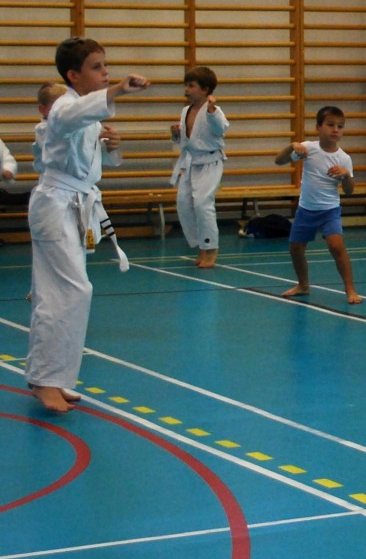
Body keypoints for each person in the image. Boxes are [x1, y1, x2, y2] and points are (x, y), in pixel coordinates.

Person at [27, 37, 151, 413]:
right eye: (97, 67)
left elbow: (91, 166)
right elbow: (67, 120)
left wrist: (112, 148)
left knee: (69, 294)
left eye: (105, 66)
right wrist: (118, 91)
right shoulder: (65, 108)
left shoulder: (87, 114)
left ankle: (55, 378)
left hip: (76, 203)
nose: (105, 72)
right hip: (56, 205)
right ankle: (45, 380)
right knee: (69, 292)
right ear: (73, 75)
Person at [275, 106, 362, 304]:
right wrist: (292, 147)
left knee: (336, 246)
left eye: (340, 126)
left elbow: (349, 190)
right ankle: (303, 285)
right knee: (296, 248)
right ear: (318, 127)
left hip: (330, 210)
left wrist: (345, 176)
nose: (335, 130)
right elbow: (279, 161)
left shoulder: (344, 158)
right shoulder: (308, 149)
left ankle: (350, 290)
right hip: (306, 209)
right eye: (330, 125)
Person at [169, 66, 229, 269]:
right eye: (186, 85)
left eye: (191, 86)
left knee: (203, 204)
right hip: (190, 162)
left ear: (205, 89)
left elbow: (221, 130)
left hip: (210, 162)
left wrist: (212, 111)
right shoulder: (185, 111)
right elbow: (185, 142)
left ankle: (211, 248)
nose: (186, 89)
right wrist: (176, 134)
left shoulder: (214, 111)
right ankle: (201, 245)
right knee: (183, 203)